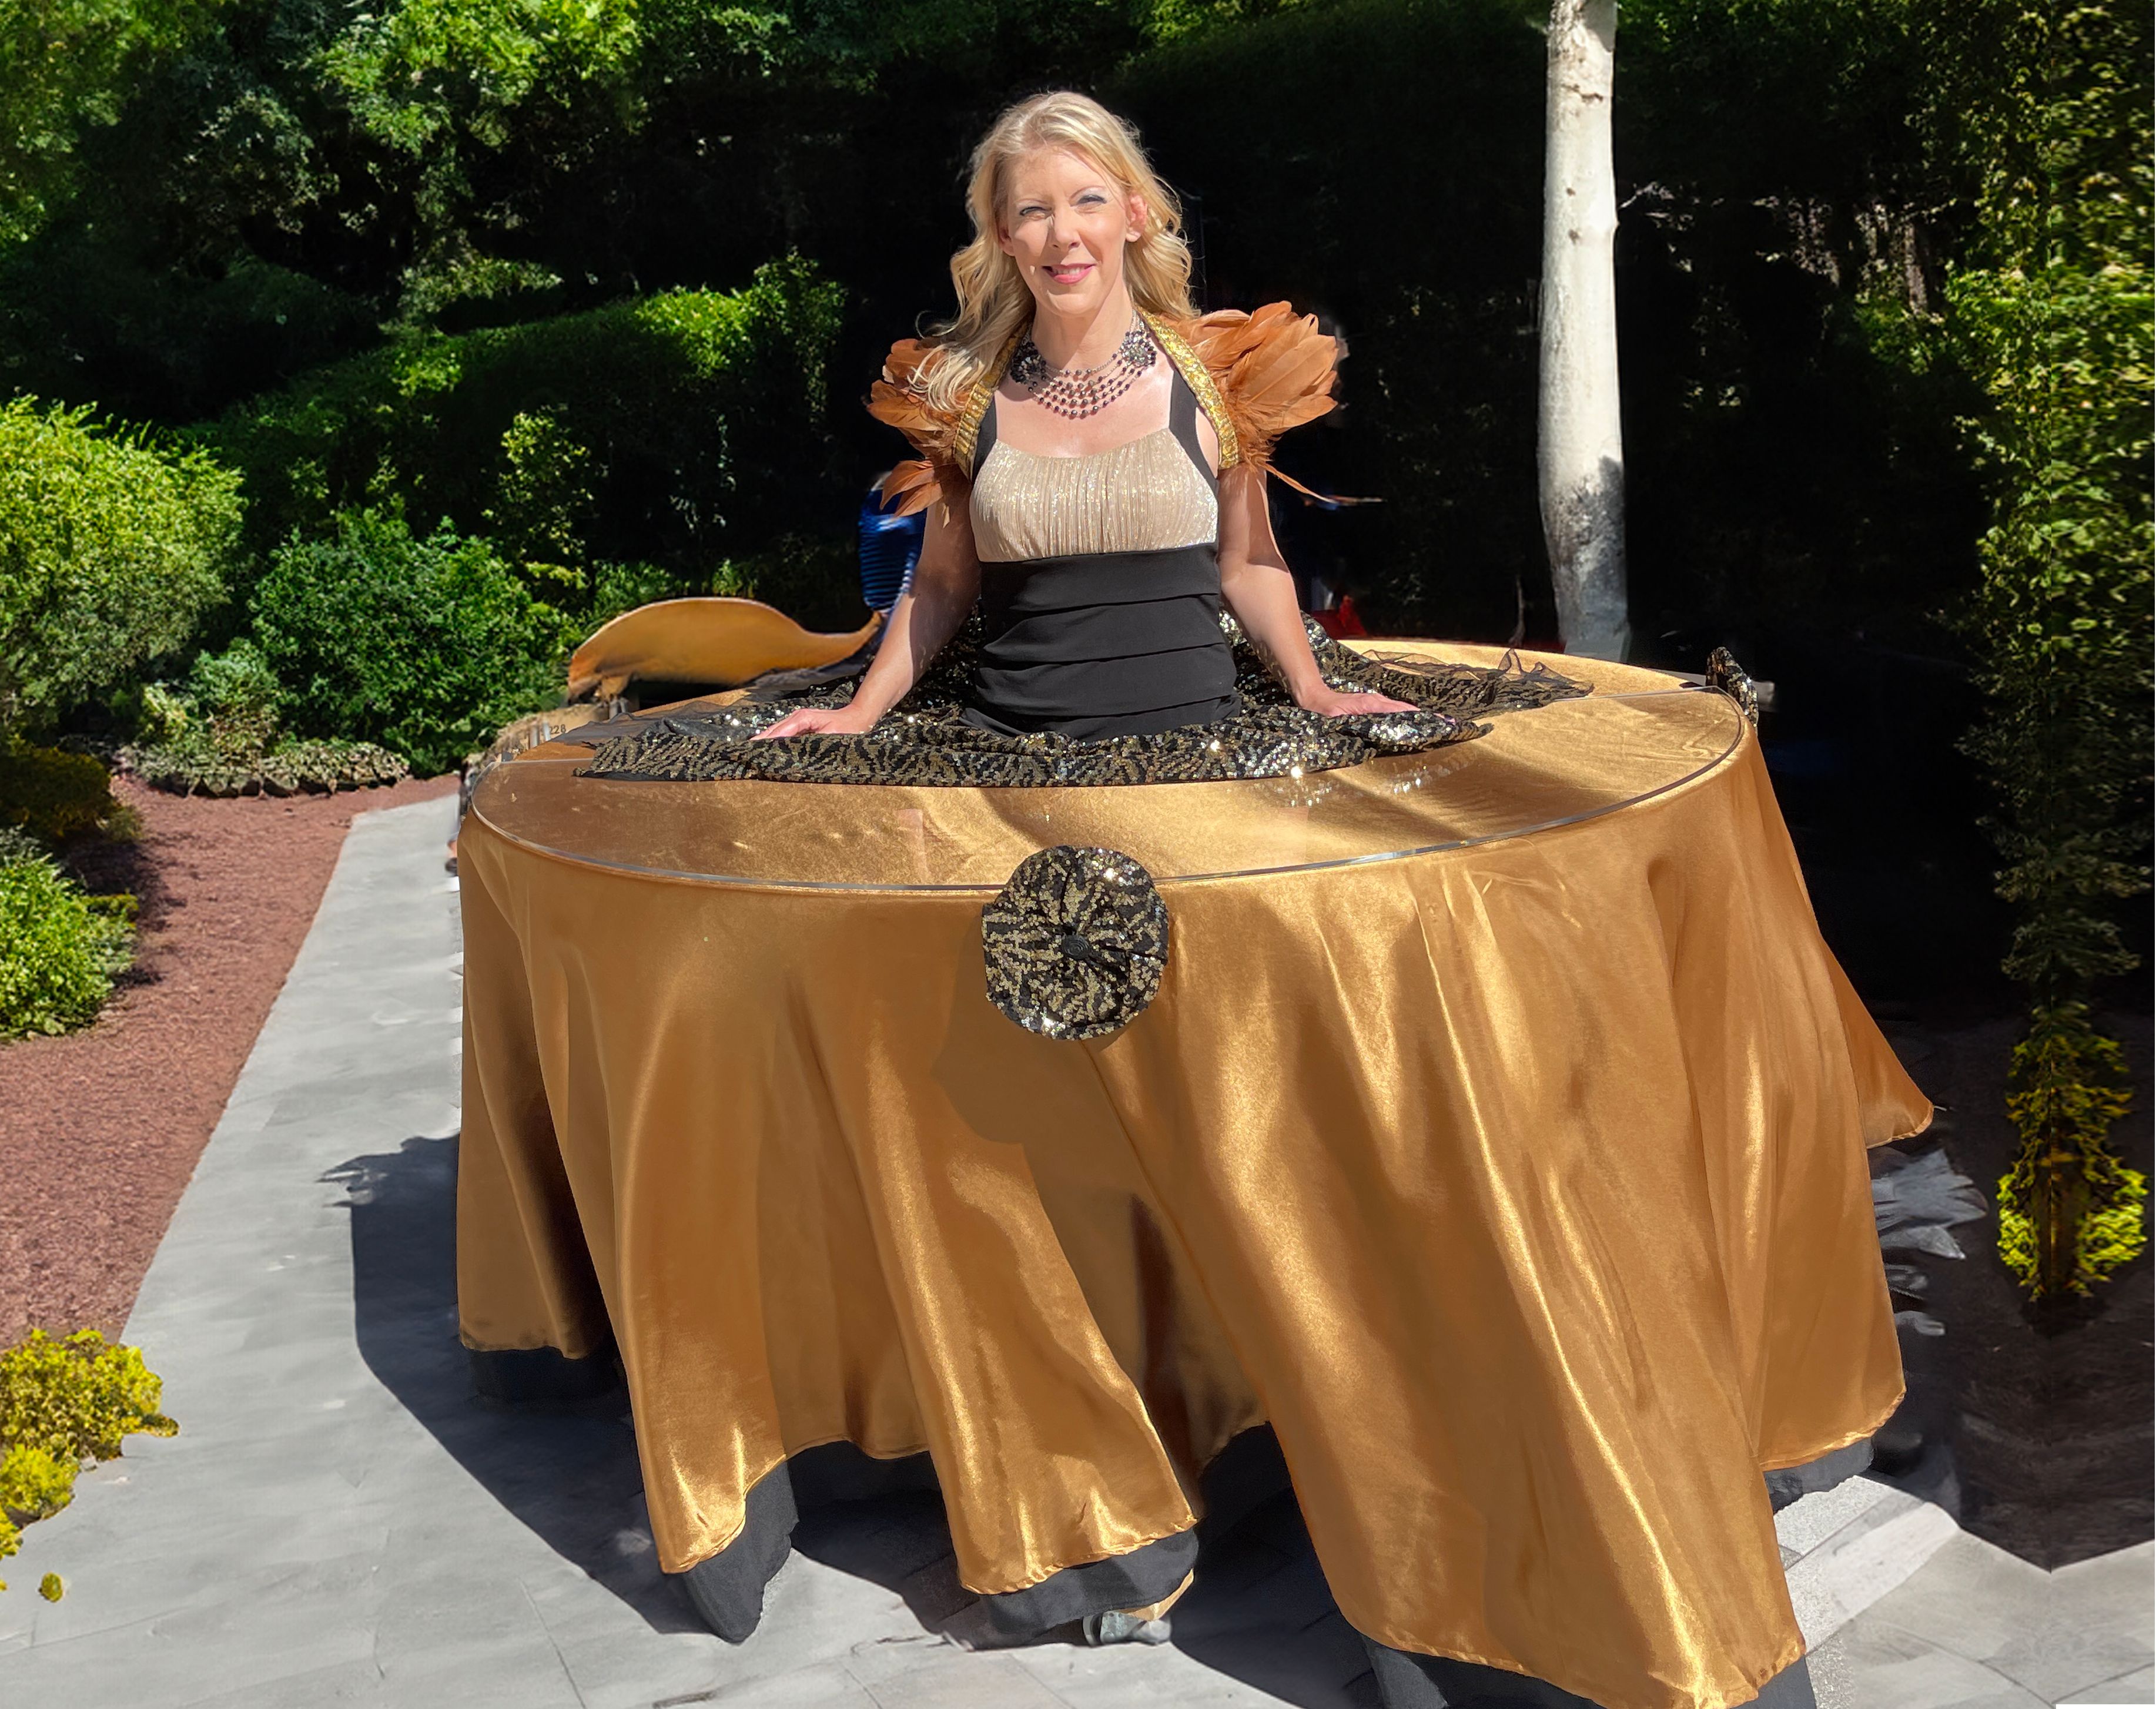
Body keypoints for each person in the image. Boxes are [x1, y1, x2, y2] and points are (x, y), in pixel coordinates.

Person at [758, 89, 1416, 745]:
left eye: (1088, 200)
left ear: (1133, 213)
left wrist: (1315, 689)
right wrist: (860, 712)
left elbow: (1246, 565)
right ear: (1004, 234)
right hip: (1008, 764)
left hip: (1198, 767)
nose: (1063, 234)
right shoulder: (960, 401)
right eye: (1034, 211)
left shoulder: (1219, 382)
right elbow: (935, 585)